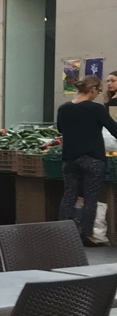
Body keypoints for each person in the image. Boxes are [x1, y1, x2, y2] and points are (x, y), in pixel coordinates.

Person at [57, 75, 117, 246]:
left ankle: (63, 232)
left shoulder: (64, 108)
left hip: (70, 159)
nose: (98, 93)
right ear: (92, 90)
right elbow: (113, 129)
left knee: (69, 195)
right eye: (98, 90)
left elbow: (60, 128)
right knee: (90, 198)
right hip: (93, 159)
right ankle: (85, 235)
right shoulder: (96, 109)